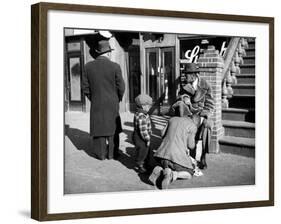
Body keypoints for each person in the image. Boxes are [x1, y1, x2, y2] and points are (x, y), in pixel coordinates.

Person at [82, 40, 125, 160]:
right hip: (112, 102)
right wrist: (118, 98)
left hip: (97, 102)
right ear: (109, 53)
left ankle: (100, 154)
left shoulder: (88, 67)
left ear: (98, 52)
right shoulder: (115, 66)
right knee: (113, 128)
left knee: (99, 128)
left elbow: (85, 88)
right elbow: (121, 86)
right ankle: (112, 154)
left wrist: (94, 98)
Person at [178, 63, 214, 169]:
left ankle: (203, 156)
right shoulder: (184, 85)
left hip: (201, 113)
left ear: (193, 75)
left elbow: (210, 104)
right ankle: (191, 155)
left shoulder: (205, 85)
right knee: (190, 124)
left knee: (208, 127)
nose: (185, 77)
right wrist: (183, 98)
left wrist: (205, 114)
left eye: (187, 74)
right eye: (184, 74)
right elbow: (179, 97)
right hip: (189, 113)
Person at [149, 115, 199, 189]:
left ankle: (160, 169)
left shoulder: (172, 119)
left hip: (161, 156)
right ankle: (172, 174)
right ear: (196, 122)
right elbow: (191, 145)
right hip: (175, 159)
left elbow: (162, 134)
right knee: (190, 173)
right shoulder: (193, 126)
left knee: (166, 165)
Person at [132, 94, 153, 173]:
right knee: (142, 151)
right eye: (149, 106)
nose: (150, 107)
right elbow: (143, 130)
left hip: (140, 136)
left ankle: (146, 163)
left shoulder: (141, 113)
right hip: (141, 138)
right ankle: (140, 165)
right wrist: (147, 139)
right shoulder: (142, 116)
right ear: (143, 106)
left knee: (145, 150)